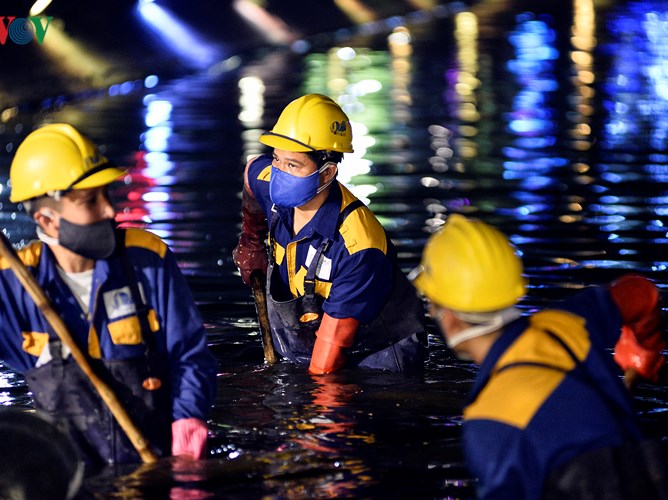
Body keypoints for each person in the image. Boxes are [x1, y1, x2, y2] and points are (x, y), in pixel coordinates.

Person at [0, 123, 218, 468]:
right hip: (72, 482)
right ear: (47, 220)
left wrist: (189, 422)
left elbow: (190, 355)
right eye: (90, 201)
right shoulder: (6, 285)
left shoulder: (147, 261)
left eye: (107, 194)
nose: (110, 211)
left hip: (157, 470)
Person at [411, 213, 668, 499]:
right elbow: (642, 293)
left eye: (432, 305)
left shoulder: (491, 422)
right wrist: (642, 351)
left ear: (451, 319)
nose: (431, 313)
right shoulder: (569, 322)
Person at [233, 93, 427, 375]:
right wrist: (251, 241)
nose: (278, 173)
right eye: (277, 159)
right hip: (313, 342)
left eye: (293, 165)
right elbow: (252, 172)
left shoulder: (358, 247)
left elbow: (327, 360)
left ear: (327, 173)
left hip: (376, 358)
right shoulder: (272, 185)